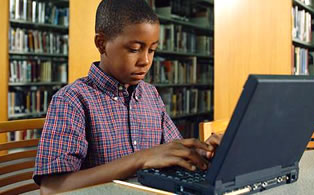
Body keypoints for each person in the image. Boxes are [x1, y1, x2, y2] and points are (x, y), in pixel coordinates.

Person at [33, 0, 222, 194]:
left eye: (152, 50)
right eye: (134, 49)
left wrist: (204, 152)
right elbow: (51, 188)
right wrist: (140, 159)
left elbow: (171, 151)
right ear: (101, 43)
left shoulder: (150, 94)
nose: (145, 61)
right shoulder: (72, 100)